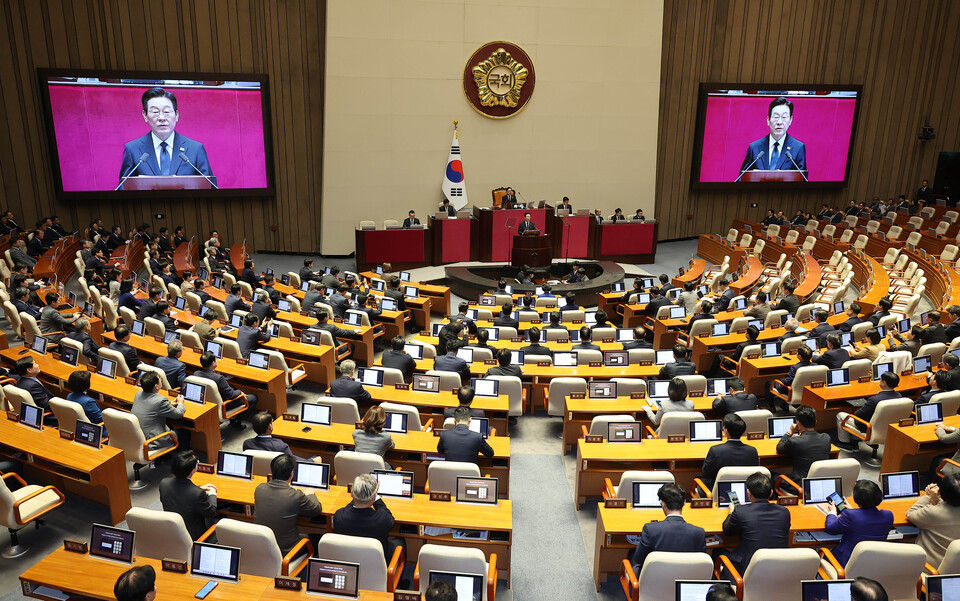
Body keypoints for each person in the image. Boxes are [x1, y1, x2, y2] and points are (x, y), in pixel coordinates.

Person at [119, 87, 212, 185]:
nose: (162, 118)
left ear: (176, 115)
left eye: (167, 112)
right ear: (145, 115)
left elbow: (209, 187)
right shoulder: (133, 149)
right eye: (155, 112)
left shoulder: (195, 149)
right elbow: (123, 188)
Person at [720, 472, 791, 575]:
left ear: (748, 494)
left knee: (717, 552)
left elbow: (727, 530)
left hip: (748, 570)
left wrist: (732, 511)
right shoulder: (784, 512)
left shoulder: (740, 511)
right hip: (779, 570)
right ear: (771, 493)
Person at [254, 454, 322, 555]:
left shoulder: (259, 489)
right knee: (320, 539)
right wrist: (311, 494)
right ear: (291, 474)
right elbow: (316, 509)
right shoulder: (295, 496)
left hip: (262, 546)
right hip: (287, 551)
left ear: (272, 472)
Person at [630, 483, 707, 572]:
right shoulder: (699, 532)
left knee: (632, 554)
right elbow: (701, 561)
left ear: (662, 503)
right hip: (685, 577)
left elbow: (639, 559)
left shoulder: (650, 529)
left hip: (655, 578)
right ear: (684, 502)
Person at [823, 479, 894, 567]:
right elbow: (866, 522)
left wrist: (832, 512)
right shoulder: (888, 515)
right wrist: (854, 511)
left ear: (856, 498)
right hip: (874, 561)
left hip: (845, 562)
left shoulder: (850, 515)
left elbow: (830, 528)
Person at [333, 473, 400, 559]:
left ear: (352, 493)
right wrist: (376, 498)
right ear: (373, 498)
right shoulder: (383, 519)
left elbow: (348, 508)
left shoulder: (339, 516)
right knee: (399, 542)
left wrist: (358, 496)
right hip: (375, 562)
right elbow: (387, 515)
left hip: (349, 561)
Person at [159, 450, 218, 540]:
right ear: (192, 471)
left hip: (173, 530)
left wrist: (198, 488)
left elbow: (182, 493)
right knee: (221, 518)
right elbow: (211, 512)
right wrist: (212, 493)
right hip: (194, 536)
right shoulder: (197, 494)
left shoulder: (164, 483)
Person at [836, 371, 902, 451]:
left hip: (868, 428)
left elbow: (858, 415)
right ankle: (855, 438)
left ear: (884, 383)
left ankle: (845, 444)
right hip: (888, 428)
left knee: (840, 415)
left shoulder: (874, 400)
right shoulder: (899, 396)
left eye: (880, 380)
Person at [740, 97, 807, 175]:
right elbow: (742, 179)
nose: (779, 122)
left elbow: (803, 181)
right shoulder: (754, 148)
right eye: (776, 117)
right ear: (768, 120)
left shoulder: (798, 148)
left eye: (784, 117)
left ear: (790, 120)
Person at [195, 351, 258, 429]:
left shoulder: (196, 374)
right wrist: (240, 392)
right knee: (254, 397)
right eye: (216, 360)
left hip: (209, 403)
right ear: (213, 363)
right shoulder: (219, 378)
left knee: (233, 388)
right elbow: (231, 395)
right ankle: (236, 420)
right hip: (224, 405)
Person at [906, 473, 960, 565]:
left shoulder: (932, 513)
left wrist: (928, 496)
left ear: (941, 491)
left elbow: (911, 514)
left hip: (929, 566)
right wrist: (937, 500)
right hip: (954, 565)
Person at [777, 405, 831, 485]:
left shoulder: (795, 441)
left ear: (798, 423)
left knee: (772, 476)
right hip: (820, 483)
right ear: (816, 421)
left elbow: (779, 448)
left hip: (799, 484)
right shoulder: (826, 438)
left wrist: (790, 432)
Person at [701, 414, 759, 489]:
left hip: (721, 491)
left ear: (726, 430)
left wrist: (707, 459)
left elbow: (706, 474)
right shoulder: (752, 451)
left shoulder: (715, 451)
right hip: (746, 489)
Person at [131, 372, 187, 450]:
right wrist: (181, 403)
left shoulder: (138, 394)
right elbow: (178, 414)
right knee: (185, 433)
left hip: (138, 438)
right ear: (156, 386)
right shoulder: (160, 400)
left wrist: (169, 403)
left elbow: (151, 405)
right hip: (152, 441)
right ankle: (176, 459)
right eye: (159, 379)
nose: (161, 380)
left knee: (170, 426)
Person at [66, 370, 108, 437]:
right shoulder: (89, 402)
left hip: (78, 428)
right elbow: (102, 420)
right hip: (96, 431)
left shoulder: (69, 396)